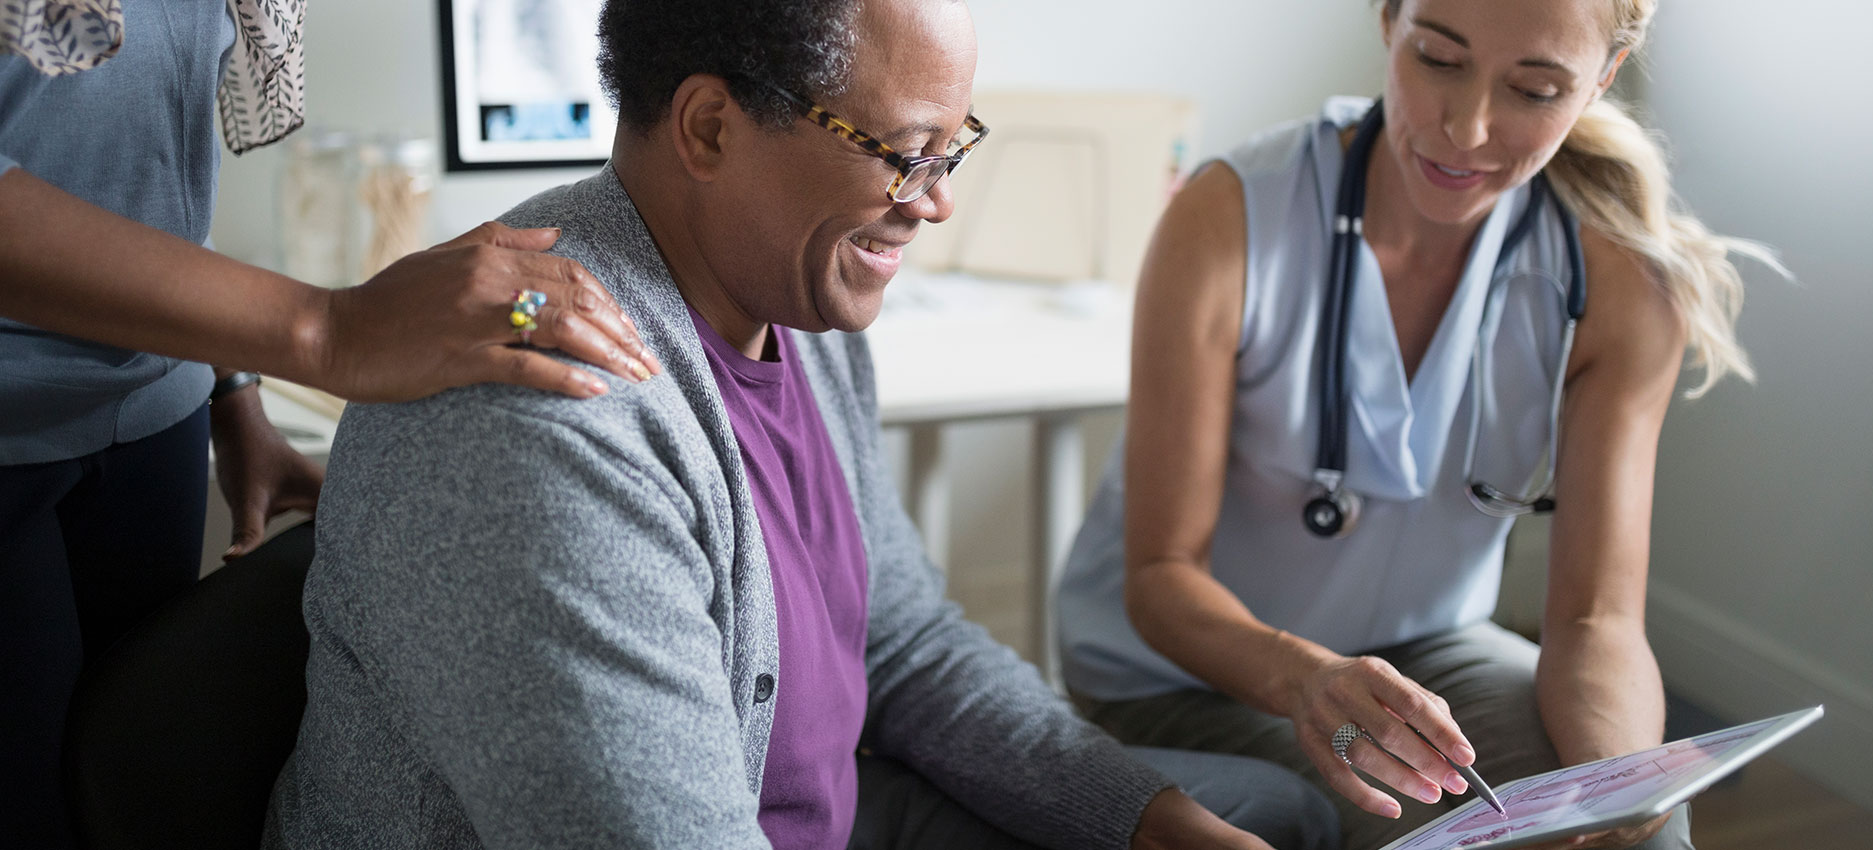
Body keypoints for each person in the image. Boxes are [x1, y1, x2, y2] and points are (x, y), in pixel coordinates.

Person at [260, 0, 1350, 848]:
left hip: (828, 813)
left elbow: (906, 642)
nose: (934, 201)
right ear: (710, 127)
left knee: (1271, 816)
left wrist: (1136, 815)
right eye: (901, 151)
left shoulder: (799, 305)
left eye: (951, 146)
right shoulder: (544, 412)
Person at [1053, 2, 1782, 849]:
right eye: (1438, 59)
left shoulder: (1617, 283)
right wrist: (1307, 680)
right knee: (1435, 829)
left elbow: (1594, 621)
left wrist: (1609, 794)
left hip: (1433, 657)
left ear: (1601, 80)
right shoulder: (1228, 218)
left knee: (1642, 827)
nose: (1466, 128)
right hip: (1183, 678)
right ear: (1388, 23)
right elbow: (1158, 576)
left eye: (1534, 89)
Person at [0, 2, 657, 847]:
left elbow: (136, 146)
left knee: (138, 784)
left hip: (149, 417)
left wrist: (226, 383)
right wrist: (326, 330)